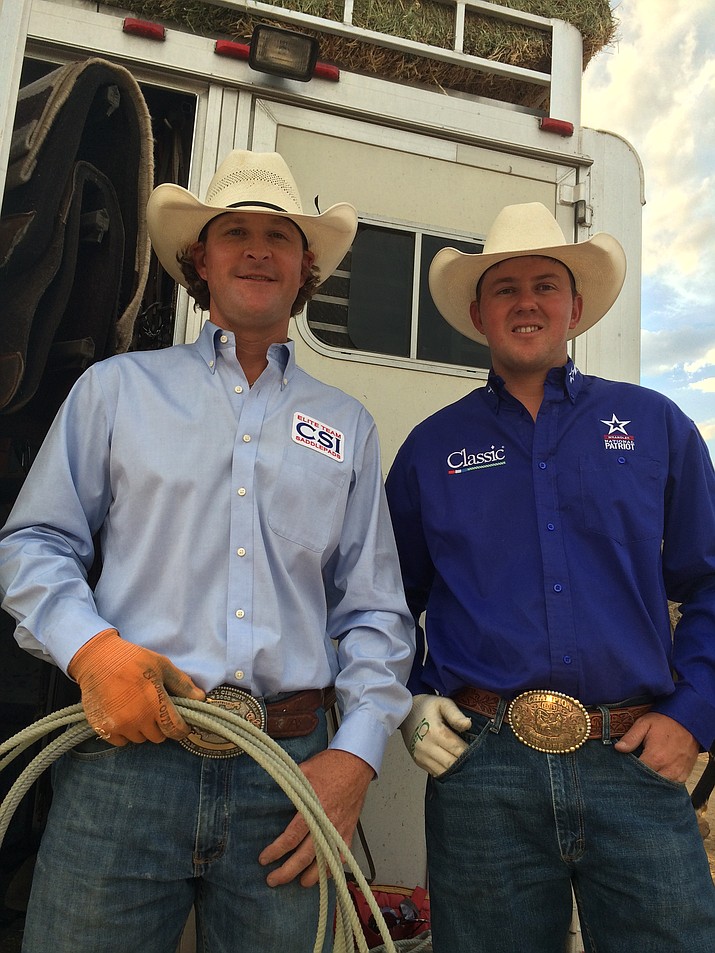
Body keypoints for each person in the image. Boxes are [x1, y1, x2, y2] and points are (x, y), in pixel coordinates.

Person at [0, 150, 414, 953]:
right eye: (235, 233)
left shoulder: (348, 425)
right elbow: (35, 540)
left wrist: (355, 757)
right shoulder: (117, 390)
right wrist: (92, 652)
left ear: (306, 268)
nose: (257, 249)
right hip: (123, 760)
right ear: (200, 259)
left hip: (288, 770)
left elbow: (373, 611)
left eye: (279, 236)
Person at [385, 201, 715, 953]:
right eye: (504, 288)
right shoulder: (431, 449)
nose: (525, 301)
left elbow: (709, 581)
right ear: (477, 312)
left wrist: (692, 712)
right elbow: (385, 599)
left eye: (544, 284)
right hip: (483, 771)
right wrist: (410, 697)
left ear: (574, 308)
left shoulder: (655, 425)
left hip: (632, 758)